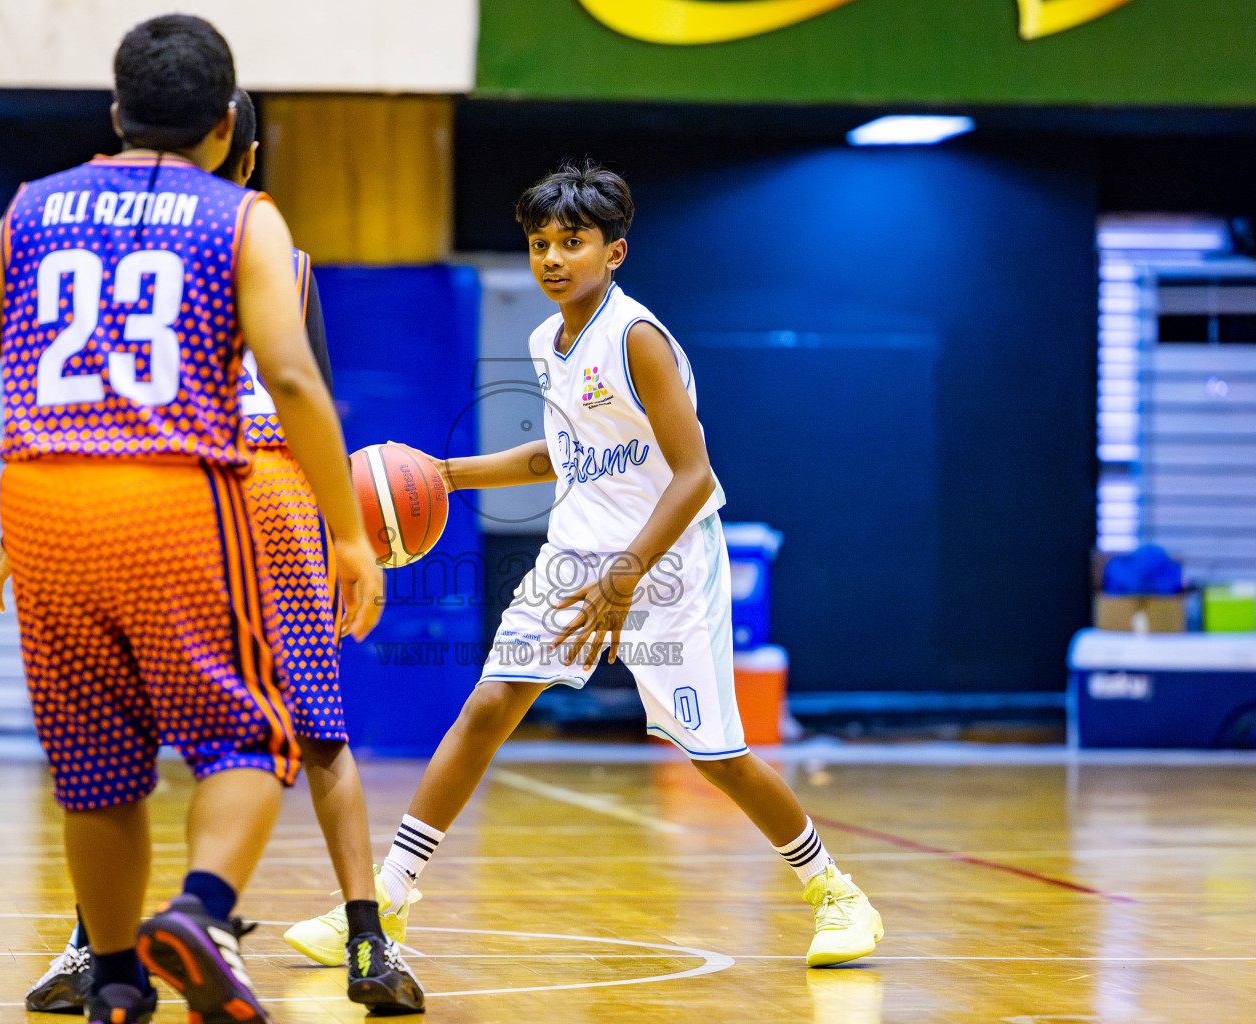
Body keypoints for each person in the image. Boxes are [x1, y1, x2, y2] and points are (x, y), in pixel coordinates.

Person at [0, 18, 387, 1024]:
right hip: (171, 493)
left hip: (40, 501)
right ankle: (200, 914)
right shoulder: (245, 218)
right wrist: (346, 531)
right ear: (223, 126)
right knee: (251, 738)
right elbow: (292, 377)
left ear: (114, 113)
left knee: (95, 768)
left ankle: (116, 980)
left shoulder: (30, 207)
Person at [288, 160, 884, 968]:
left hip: (666, 559)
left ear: (616, 252)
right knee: (487, 708)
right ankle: (384, 900)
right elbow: (559, 456)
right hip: (576, 554)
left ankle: (837, 894)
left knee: (714, 755)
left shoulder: (636, 338)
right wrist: (449, 473)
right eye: (539, 244)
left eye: (573, 242)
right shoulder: (547, 340)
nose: (553, 259)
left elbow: (695, 473)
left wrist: (627, 574)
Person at [2, 88, 423, 1016]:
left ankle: (99, 953)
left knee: (118, 739)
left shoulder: (94, 237)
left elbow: (80, 409)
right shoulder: (268, 241)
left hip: (171, 487)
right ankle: (364, 941)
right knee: (315, 732)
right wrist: (343, 531)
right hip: (255, 492)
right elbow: (306, 392)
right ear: (240, 146)